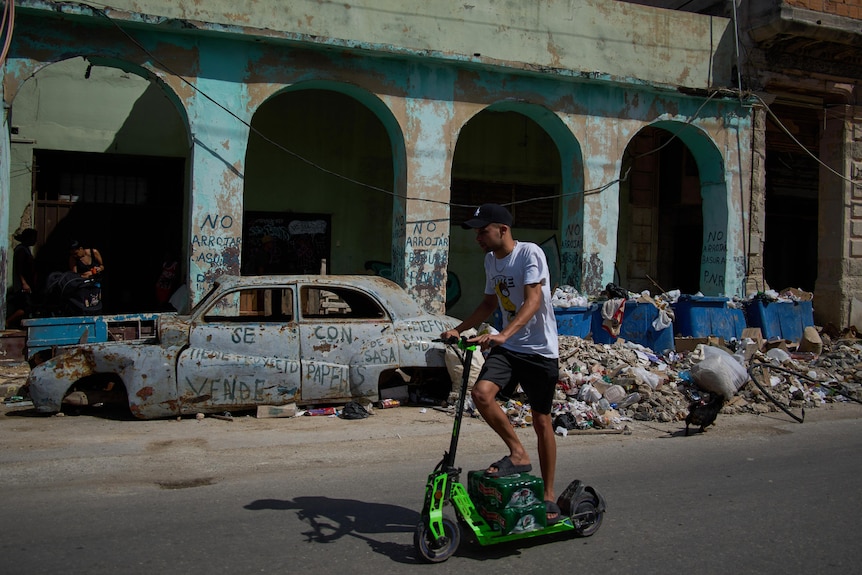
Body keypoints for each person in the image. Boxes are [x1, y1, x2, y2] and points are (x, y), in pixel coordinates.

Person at [440, 203, 561, 524]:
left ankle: (548, 495)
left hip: (539, 350)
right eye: (477, 232)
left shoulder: (529, 254)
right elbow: (488, 303)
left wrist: (504, 334)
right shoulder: (490, 261)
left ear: (502, 230)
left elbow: (533, 299)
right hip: (509, 348)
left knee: (541, 421)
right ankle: (518, 453)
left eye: (483, 230)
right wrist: (459, 329)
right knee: (481, 394)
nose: (477, 237)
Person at [5, 228, 38, 328]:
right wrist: (24, 283)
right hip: (22, 286)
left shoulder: (25, 249)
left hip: (26, 284)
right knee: (26, 307)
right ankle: (8, 321)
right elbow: (19, 269)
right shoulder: (21, 250)